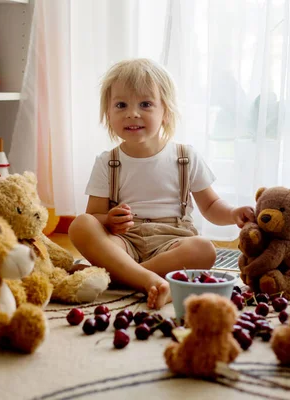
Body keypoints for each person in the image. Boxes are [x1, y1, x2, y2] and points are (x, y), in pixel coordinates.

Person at [68, 58, 254, 310]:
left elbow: (210, 206)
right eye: (121, 105)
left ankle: (121, 277)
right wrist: (109, 220)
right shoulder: (107, 161)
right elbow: (94, 217)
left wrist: (232, 213)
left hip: (173, 240)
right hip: (125, 241)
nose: (132, 113)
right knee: (80, 225)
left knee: (204, 249)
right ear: (108, 114)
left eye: (145, 104)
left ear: (165, 112)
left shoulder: (185, 157)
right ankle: (149, 280)